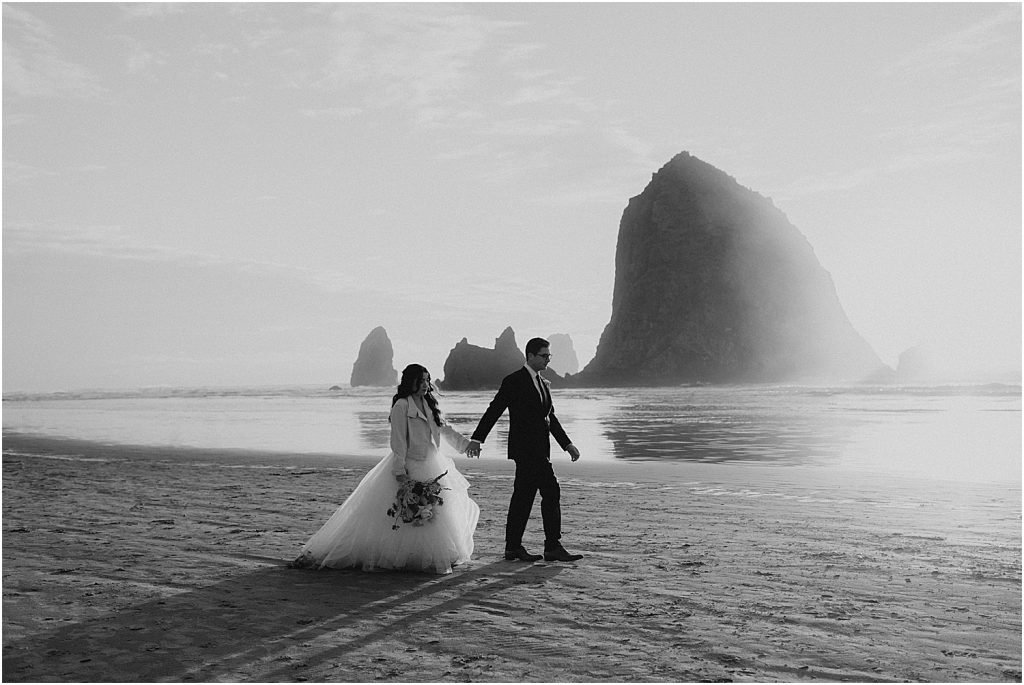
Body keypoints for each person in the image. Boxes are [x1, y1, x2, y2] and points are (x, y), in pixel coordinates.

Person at [290, 364, 479, 574]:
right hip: (410, 463)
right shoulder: (401, 406)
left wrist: (466, 445)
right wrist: (400, 472)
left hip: (431, 461)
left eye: (427, 380)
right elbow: (398, 441)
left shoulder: (428, 403)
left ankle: (429, 554)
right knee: (408, 510)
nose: (425, 385)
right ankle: (403, 555)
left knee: (433, 510)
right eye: (421, 381)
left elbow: (445, 429)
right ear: (410, 382)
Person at [466, 337, 584, 563]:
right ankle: (552, 546)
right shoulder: (514, 380)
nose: (548, 359)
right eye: (544, 356)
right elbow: (495, 409)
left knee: (523, 496)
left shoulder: (543, 383)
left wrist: (567, 444)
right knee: (551, 491)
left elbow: (550, 417)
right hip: (526, 450)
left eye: (549, 356)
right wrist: (477, 438)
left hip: (541, 449)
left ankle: (513, 547)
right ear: (530, 356)